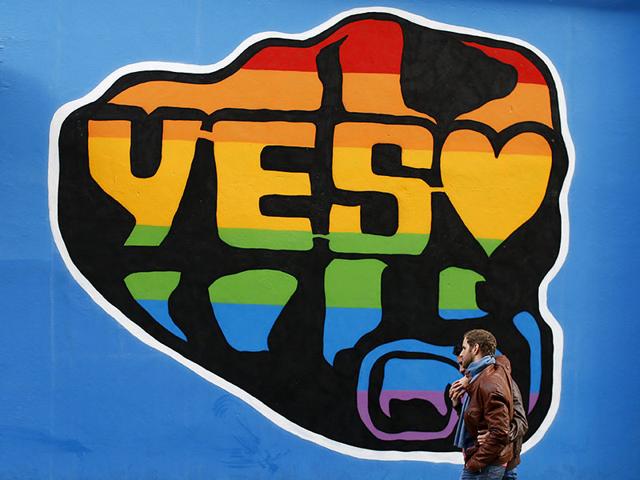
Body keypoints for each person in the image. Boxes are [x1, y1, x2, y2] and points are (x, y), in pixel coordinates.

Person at [449, 329, 514, 480]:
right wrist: (458, 405)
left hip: (486, 463)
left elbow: (501, 432)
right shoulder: (478, 378)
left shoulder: (490, 382)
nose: (463, 353)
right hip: (483, 458)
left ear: (475, 348)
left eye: (464, 348)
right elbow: (478, 419)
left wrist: (474, 464)